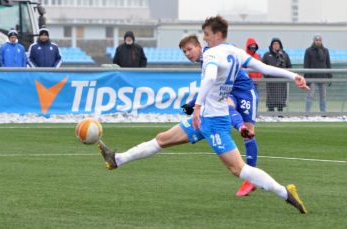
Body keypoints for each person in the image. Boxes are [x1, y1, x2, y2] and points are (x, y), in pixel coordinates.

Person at [98, 16, 309, 214]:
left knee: (238, 169)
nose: (205, 39)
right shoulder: (235, 52)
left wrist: (196, 108)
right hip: (205, 118)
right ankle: (118, 159)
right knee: (162, 139)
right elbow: (263, 67)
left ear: (217, 34)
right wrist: (294, 76)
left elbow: (209, 78)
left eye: (206, 35)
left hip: (214, 121)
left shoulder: (211, 53)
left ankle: (285, 192)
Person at [180, 35, 258, 197]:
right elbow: (210, 86)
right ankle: (249, 179)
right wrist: (193, 103)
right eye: (184, 52)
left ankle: (251, 178)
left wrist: (194, 104)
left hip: (244, 90)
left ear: (199, 46)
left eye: (189, 49)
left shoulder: (211, 55)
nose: (187, 54)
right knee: (227, 107)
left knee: (249, 135)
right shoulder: (205, 61)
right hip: (227, 91)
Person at [262, 38, 292, 112]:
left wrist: (286, 75)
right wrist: (267, 76)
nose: (276, 46)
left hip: (282, 81)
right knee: (271, 97)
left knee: (281, 97)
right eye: (274, 44)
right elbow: (262, 66)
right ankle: (270, 112)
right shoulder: (267, 55)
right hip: (271, 81)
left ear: (280, 45)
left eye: (277, 44)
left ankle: (280, 113)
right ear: (271, 45)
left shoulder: (284, 55)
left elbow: (289, 66)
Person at [304, 34, 332, 113]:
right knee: (310, 96)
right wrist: (307, 78)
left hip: (323, 77)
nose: (318, 42)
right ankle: (307, 113)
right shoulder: (308, 51)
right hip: (312, 78)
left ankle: (323, 113)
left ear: (321, 41)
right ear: (314, 41)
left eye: (319, 40)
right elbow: (306, 64)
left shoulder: (326, 51)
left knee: (323, 97)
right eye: (316, 40)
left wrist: (330, 76)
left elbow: (328, 64)